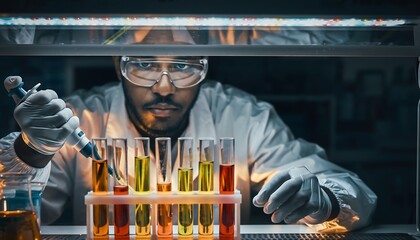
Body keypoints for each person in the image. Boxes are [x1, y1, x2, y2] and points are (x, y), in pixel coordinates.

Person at [0, 29, 377, 233]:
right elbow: (15, 215)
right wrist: (32, 149)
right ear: (118, 65)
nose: (164, 86)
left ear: (206, 67)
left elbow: (353, 193)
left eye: (182, 66)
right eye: (145, 65)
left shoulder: (243, 115)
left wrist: (324, 200)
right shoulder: (84, 116)